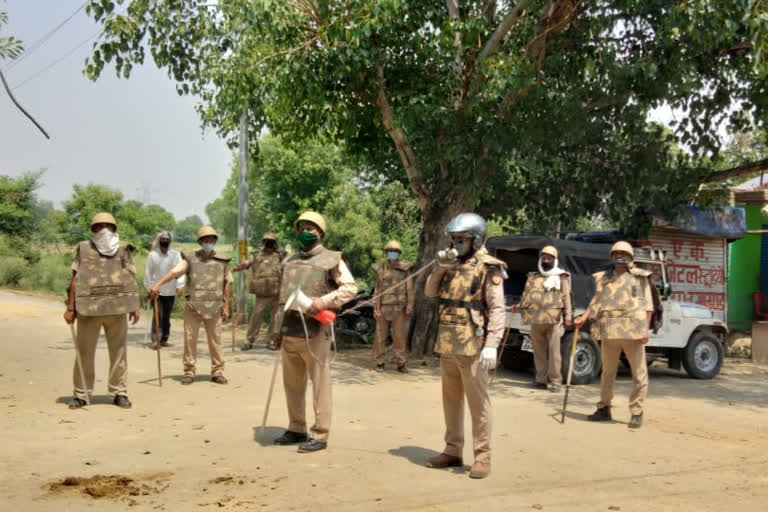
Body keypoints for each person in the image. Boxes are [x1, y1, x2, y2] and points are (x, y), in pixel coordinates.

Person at [424, 212, 506, 479]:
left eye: (462, 239)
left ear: (476, 239)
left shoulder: (488, 267)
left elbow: (497, 309)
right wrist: (440, 267)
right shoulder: (450, 264)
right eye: (454, 238)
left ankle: (483, 456)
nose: (456, 243)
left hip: (474, 344)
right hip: (448, 341)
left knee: (478, 403)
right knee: (451, 400)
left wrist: (492, 344)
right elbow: (429, 292)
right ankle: (452, 449)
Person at [272, 211, 357, 453]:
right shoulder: (289, 261)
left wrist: (325, 301)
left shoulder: (332, 260)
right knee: (292, 384)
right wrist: (276, 330)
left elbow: (350, 288)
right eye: (303, 228)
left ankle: (320, 434)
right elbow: (281, 298)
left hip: (317, 331)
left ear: (320, 233)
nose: (307, 232)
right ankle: (296, 427)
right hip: (290, 330)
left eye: (312, 229)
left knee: (320, 385)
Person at [63, 212, 140, 409]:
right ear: (93, 230)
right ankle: (81, 393)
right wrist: (71, 308)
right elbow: (75, 279)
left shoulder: (123, 249)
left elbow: (131, 277)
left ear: (114, 229)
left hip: (117, 308)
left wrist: (134, 305)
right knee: (85, 352)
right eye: (99, 226)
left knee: (119, 352)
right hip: (89, 309)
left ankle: (119, 392)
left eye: (108, 226)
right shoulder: (84, 248)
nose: (104, 229)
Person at [574, 241, 653, 429]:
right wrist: (584, 317)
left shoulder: (639, 278)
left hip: (632, 332)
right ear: (611, 256)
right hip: (609, 330)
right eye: (616, 253)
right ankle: (604, 408)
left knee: (638, 374)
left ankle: (636, 412)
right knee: (607, 373)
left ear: (631, 257)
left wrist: (645, 330)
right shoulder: (603, 278)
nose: (620, 256)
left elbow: (648, 306)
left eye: (624, 253)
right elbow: (596, 301)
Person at [149, 226, 232, 385]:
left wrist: (226, 306)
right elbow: (175, 272)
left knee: (215, 341)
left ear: (215, 241)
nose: (209, 242)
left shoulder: (222, 261)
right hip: (193, 306)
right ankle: (189, 371)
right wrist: (158, 284)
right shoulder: (190, 259)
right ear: (200, 242)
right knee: (190, 339)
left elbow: (227, 284)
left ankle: (218, 371)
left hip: (215, 307)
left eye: (212, 239)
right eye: (206, 240)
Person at [519, 245, 573, 392]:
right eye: (544, 257)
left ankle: (555, 381)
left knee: (554, 352)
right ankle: (540, 380)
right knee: (538, 351)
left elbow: (566, 297)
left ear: (554, 260)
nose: (546, 259)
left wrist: (568, 317)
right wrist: (521, 308)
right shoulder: (533, 276)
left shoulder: (561, 276)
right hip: (536, 319)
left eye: (549, 258)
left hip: (554, 319)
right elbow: (526, 295)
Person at [232, 232, 283, 350]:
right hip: (262, 292)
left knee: (275, 317)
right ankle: (249, 340)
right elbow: (246, 264)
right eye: (267, 241)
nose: (269, 244)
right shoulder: (256, 255)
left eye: (271, 242)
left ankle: (271, 340)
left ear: (275, 243)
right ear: (263, 242)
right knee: (256, 316)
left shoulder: (280, 256)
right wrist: (234, 269)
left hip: (276, 291)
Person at [372, 240, 414, 373]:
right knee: (380, 337)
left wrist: (409, 305)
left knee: (399, 337)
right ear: (387, 253)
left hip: (399, 308)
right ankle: (380, 362)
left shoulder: (405, 269)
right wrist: (376, 308)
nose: (393, 253)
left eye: (395, 251)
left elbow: (410, 288)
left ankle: (401, 363)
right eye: (390, 251)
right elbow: (377, 290)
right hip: (383, 307)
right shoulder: (380, 269)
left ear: (399, 253)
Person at [143, 231, 185, 348]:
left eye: (167, 240)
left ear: (170, 241)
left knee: (166, 316)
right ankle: (156, 339)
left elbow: (180, 271)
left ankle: (164, 338)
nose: (165, 242)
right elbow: (148, 272)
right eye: (163, 239)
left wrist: (179, 285)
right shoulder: (153, 255)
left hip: (170, 290)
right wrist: (149, 288)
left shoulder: (175, 255)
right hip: (156, 291)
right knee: (158, 315)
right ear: (159, 241)